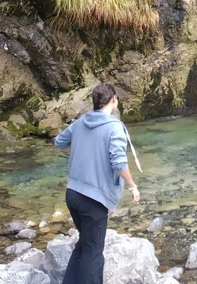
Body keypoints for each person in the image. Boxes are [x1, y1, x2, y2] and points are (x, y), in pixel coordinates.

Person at [54, 83, 141, 284]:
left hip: (73, 193)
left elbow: (59, 142)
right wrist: (132, 186)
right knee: (93, 253)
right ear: (114, 100)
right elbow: (119, 161)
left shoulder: (80, 122)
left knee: (84, 245)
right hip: (93, 201)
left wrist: (81, 149)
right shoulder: (114, 126)